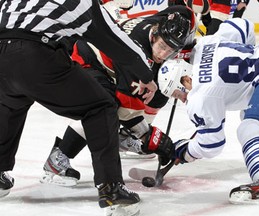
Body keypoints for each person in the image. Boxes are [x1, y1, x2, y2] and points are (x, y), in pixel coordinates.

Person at [0, 0, 159, 214]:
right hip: (35, 54)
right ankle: (111, 189)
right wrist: (146, 76)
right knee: (101, 106)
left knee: (10, 103)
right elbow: (113, 39)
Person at [40, 4, 196, 187]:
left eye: (170, 51)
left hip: (114, 62)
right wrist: (151, 138)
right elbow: (126, 109)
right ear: (154, 36)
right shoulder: (138, 55)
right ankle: (59, 157)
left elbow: (186, 12)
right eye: (162, 46)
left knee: (160, 91)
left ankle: (125, 137)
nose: (163, 54)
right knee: (103, 105)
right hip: (88, 59)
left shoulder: (161, 24)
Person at [155, 18, 259, 204]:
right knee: (251, 112)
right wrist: (248, 58)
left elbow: (212, 144)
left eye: (178, 92)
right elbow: (243, 25)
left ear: (185, 76)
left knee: (251, 128)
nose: (182, 98)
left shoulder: (200, 97)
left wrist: (184, 151)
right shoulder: (206, 43)